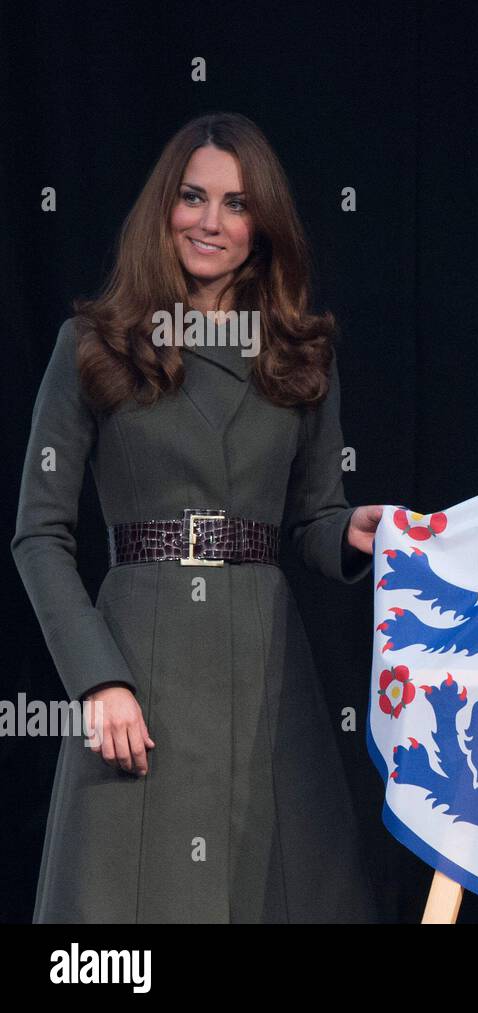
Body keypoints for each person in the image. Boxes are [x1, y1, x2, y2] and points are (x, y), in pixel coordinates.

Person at [12, 112, 385, 922]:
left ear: (264, 227)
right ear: (163, 208)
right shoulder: (93, 345)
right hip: (140, 661)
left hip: (264, 670)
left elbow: (316, 517)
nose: (210, 221)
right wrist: (98, 678)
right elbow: (38, 535)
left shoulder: (301, 354)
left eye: (237, 204)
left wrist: (354, 532)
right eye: (192, 197)